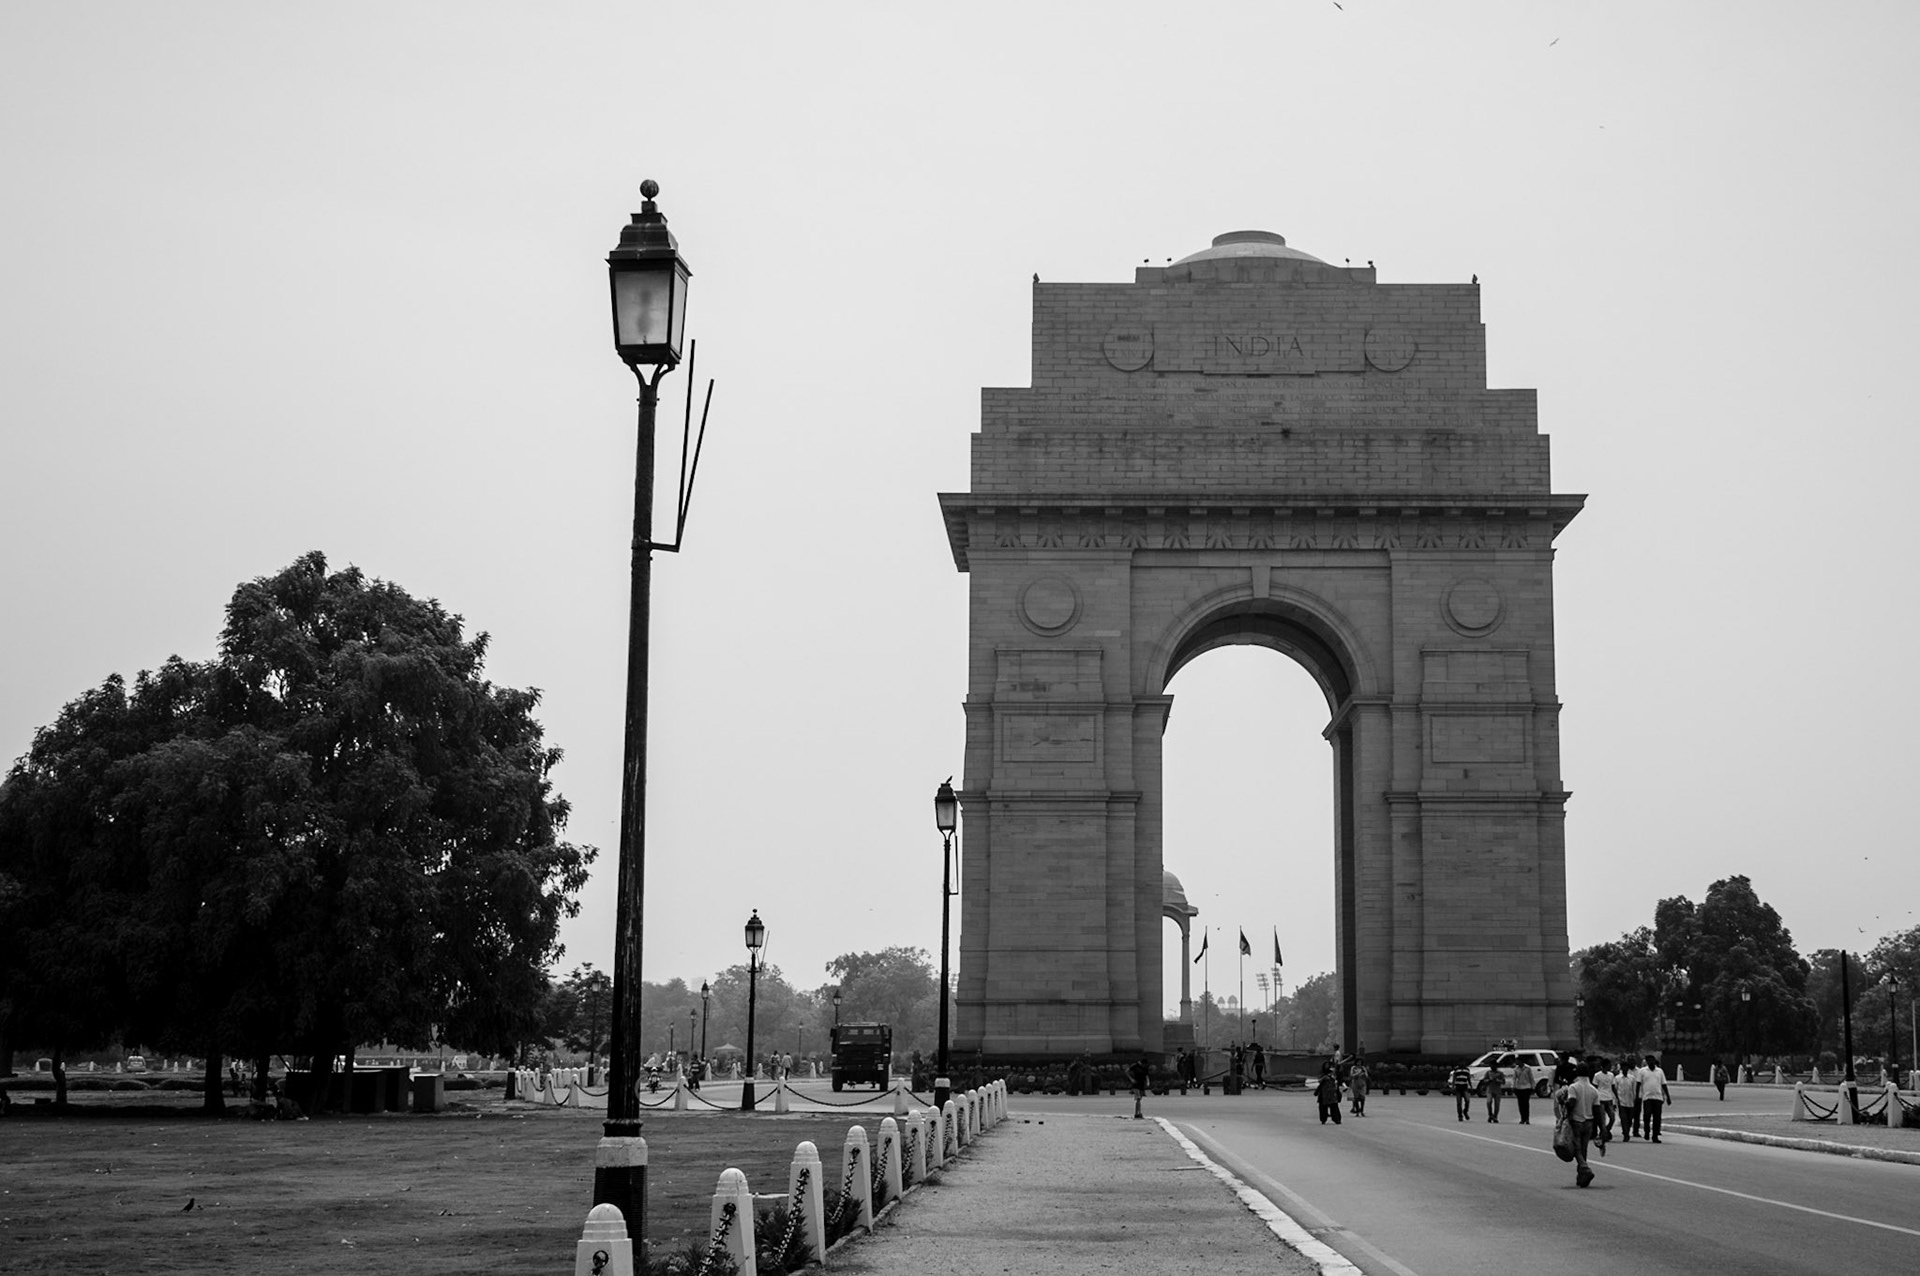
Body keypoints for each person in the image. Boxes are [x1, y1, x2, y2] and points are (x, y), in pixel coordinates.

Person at [1556, 1062, 1601, 1188]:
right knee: (1584, 1148)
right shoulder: (1594, 1090)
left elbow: (1572, 1102)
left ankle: (1585, 1168)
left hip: (1576, 1121)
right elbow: (1598, 1110)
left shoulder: (1573, 1087)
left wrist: (1565, 1112)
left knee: (1576, 1148)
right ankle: (1581, 1175)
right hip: (1589, 1123)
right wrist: (1602, 1128)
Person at [1639, 1055, 1671, 1142]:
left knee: (1657, 1117)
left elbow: (1664, 1084)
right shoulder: (1642, 1071)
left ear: (1654, 1061)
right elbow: (1638, 1084)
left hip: (1658, 1097)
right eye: (1648, 1061)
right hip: (1647, 1097)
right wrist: (1638, 1096)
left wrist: (1668, 1097)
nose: (1650, 1062)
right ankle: (1647, 1131)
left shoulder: (1660, 1071)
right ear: (1646, 1062)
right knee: (1647, 1115)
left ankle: (1655, 1136)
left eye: (1652, 1060)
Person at [1616, 1055, 1641, 1142]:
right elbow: (1615, 1090)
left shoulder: (1632, 1078)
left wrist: (1636, 1098)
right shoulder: (1617, 1078)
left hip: (1631, 1101)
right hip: (1621, 1101)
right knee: (1623, 1118)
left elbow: (1634, 1089)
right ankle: (1625, 1133)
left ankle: (1630, 1130)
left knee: (1630, 1118)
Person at [1591, 1057, 1617, 1140]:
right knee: (1602, 1119)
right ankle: (1604, 1133)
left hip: (1609, 1099)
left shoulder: (1611, 1075)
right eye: (1608, 1065)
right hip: (1600, 1099)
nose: (1610, 1067)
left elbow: (1613, 1087)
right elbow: (1594, 1088)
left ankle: (1605, 1131)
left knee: (1612, 1118)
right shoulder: (1597, 1075)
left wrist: (1616, 1097)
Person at [1510, 1055, 1536, 1125]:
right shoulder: (1516, 1069)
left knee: (1526, 1104)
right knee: (1520, 1104)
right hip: (1519, 1088)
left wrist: (1533, 1087)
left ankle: (1527, 1118)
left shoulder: (1527, 1068)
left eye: (1517, 1061)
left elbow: (1531, 1078)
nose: (1516, 1062)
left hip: (1527, 1087)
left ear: (1521, 1061)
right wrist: (1513, 1086)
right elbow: (1514, 1078)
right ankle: (1522, 1118)